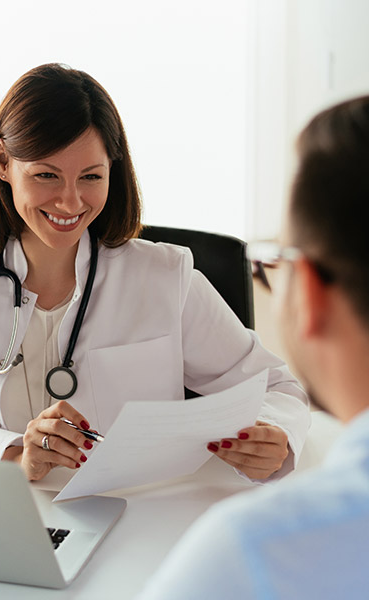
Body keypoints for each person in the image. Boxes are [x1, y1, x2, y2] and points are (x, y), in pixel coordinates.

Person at [0, 63, 309, 483]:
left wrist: (274, 435)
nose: (70, 201)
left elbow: (276, 389)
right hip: (14, 517)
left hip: (137, 512)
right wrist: (16, 457)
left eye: (91, 177)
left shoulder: (166, 278)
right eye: (46, 175)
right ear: (4, 163)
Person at [138, 95, 369, 599]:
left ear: (306, 289)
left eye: (275, 261)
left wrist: (276, 436)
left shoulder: (255, 550)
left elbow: (272, 385)